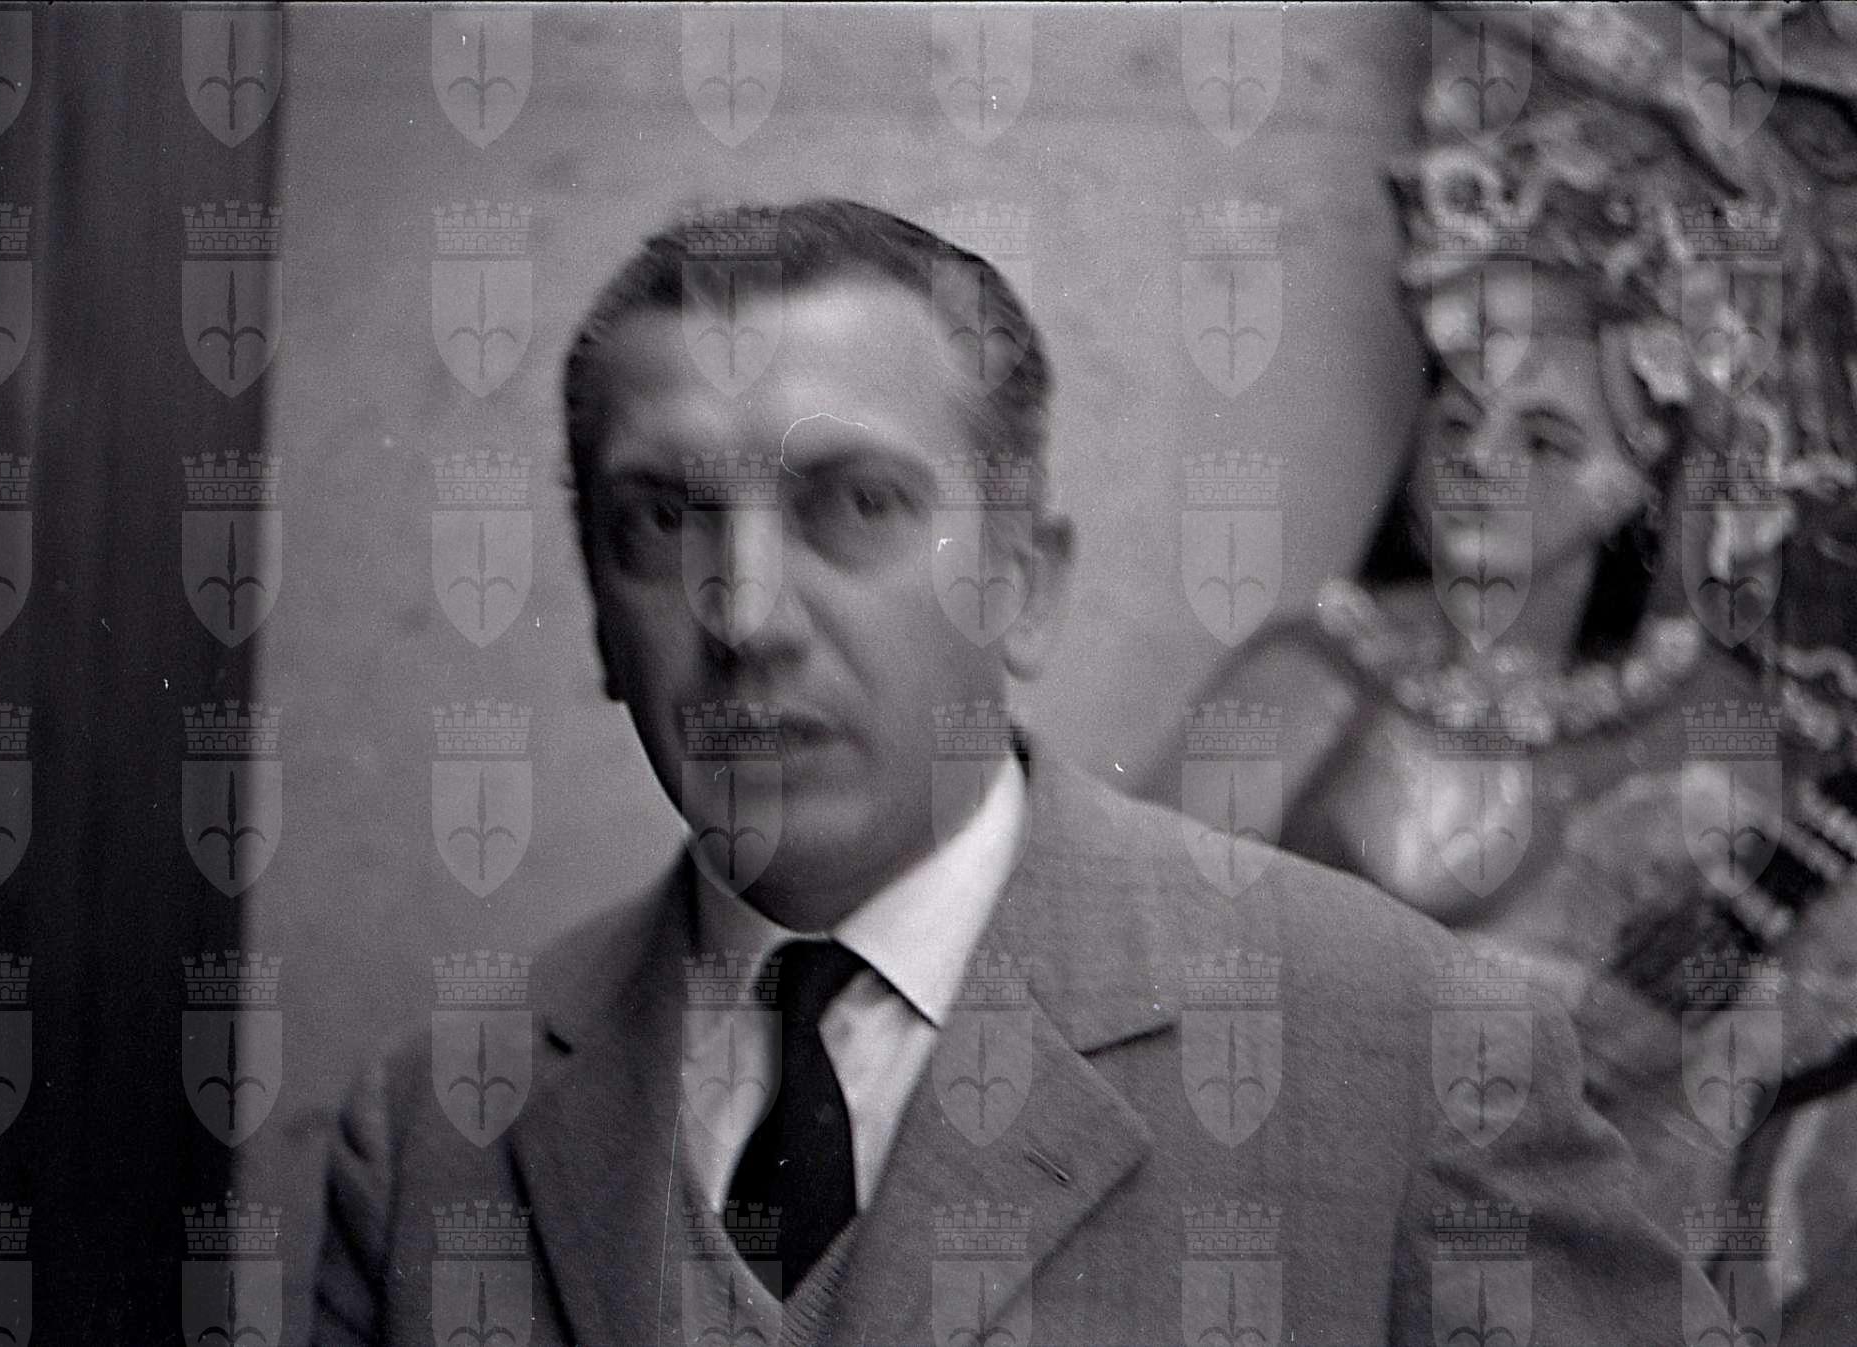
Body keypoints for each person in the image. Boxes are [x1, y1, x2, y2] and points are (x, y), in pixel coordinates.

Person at [311, 198, 1720, 1347]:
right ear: (598, 617)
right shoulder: (436, 1129)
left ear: (1025, 586)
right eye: (662, 521)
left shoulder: (1411, 1063)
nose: (744, 613)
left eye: (853, 504)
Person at [1140, 2, 1857, 1327]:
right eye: (1459, 419)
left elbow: (1753, 1054)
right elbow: (1134, 967)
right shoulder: (1309, 677)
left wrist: (1663, 1032)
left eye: (1543, 441)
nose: (1479, 466)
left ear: (1640, 482)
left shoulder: (1715, 731)